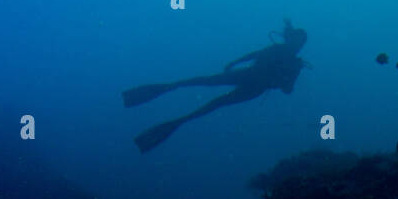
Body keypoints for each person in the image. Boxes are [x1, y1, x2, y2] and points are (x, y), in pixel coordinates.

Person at [123, 21, 308, 153]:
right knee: (210, 91)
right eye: (296, 41)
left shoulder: (291, 61)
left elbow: (285, 86)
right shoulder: (286, 56)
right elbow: (283, 85)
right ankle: (168, 101)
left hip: (251, 83)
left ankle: (168, 107)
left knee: (212, 97)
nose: (296, 45)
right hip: (251, 81)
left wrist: (234, 63)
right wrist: (235, 63)